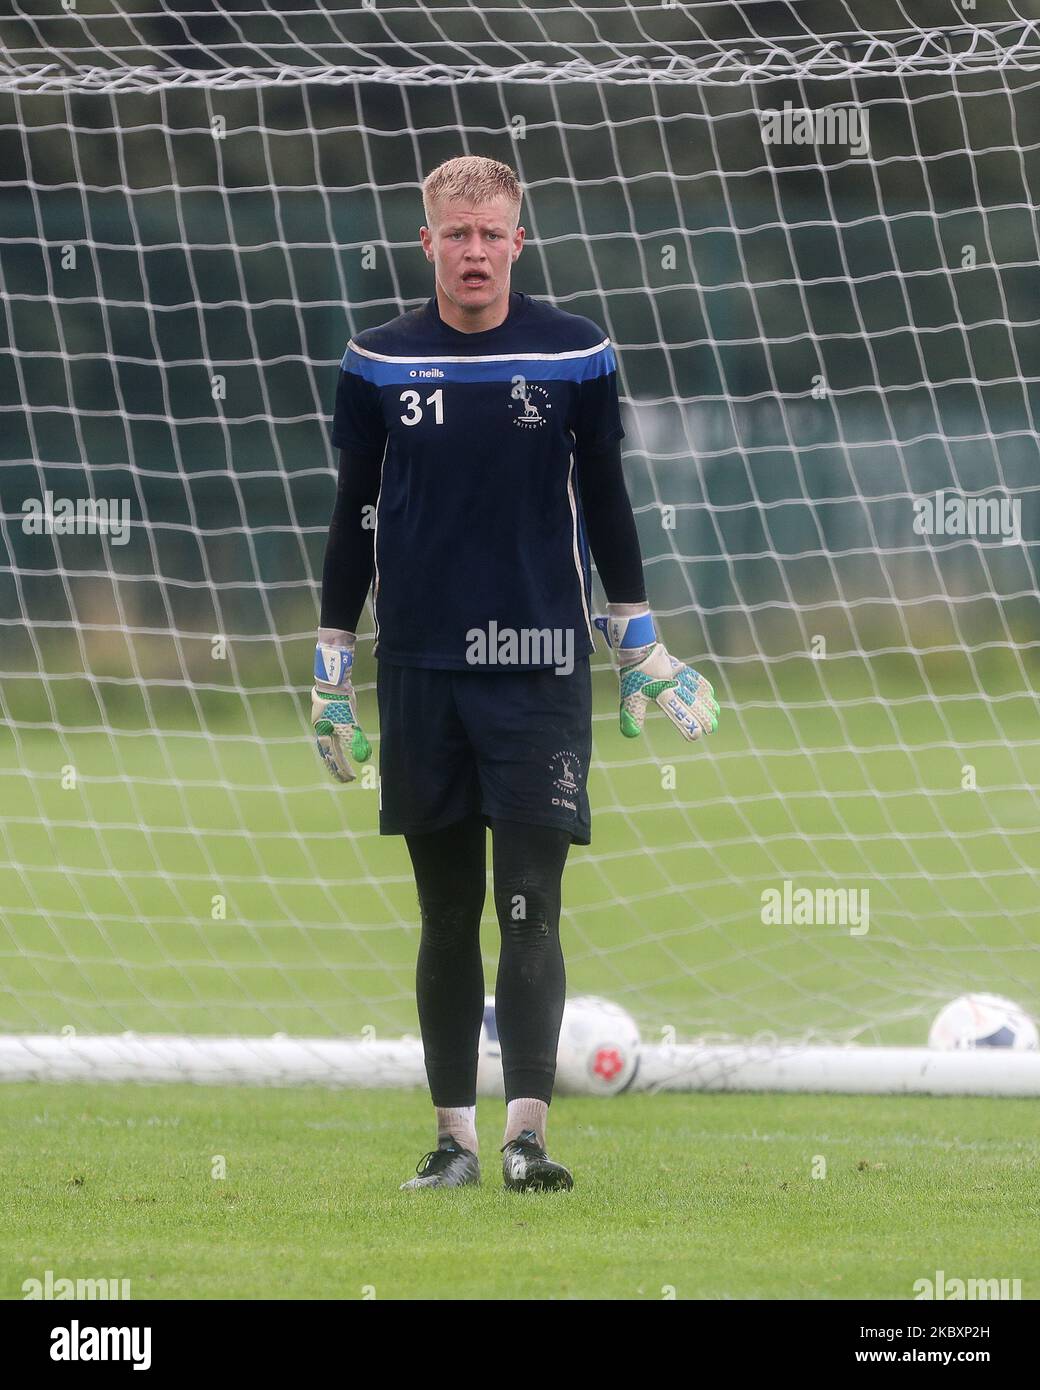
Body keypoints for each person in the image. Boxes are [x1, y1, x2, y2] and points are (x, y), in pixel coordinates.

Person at [312, 155, 719, 1192]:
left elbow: (611, 498)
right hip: (418, 668)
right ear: (428, 244)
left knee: (530, 898)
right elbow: (353, 512)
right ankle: (450, 1140)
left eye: (492, 234)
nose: (475, 251)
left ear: (517, 241)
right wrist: (329, 662)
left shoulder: (576, 351)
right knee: (444, 911)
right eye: (457, 234)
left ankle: (526, 1139)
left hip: (537, 664)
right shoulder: (375, 360)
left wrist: (636, 636)